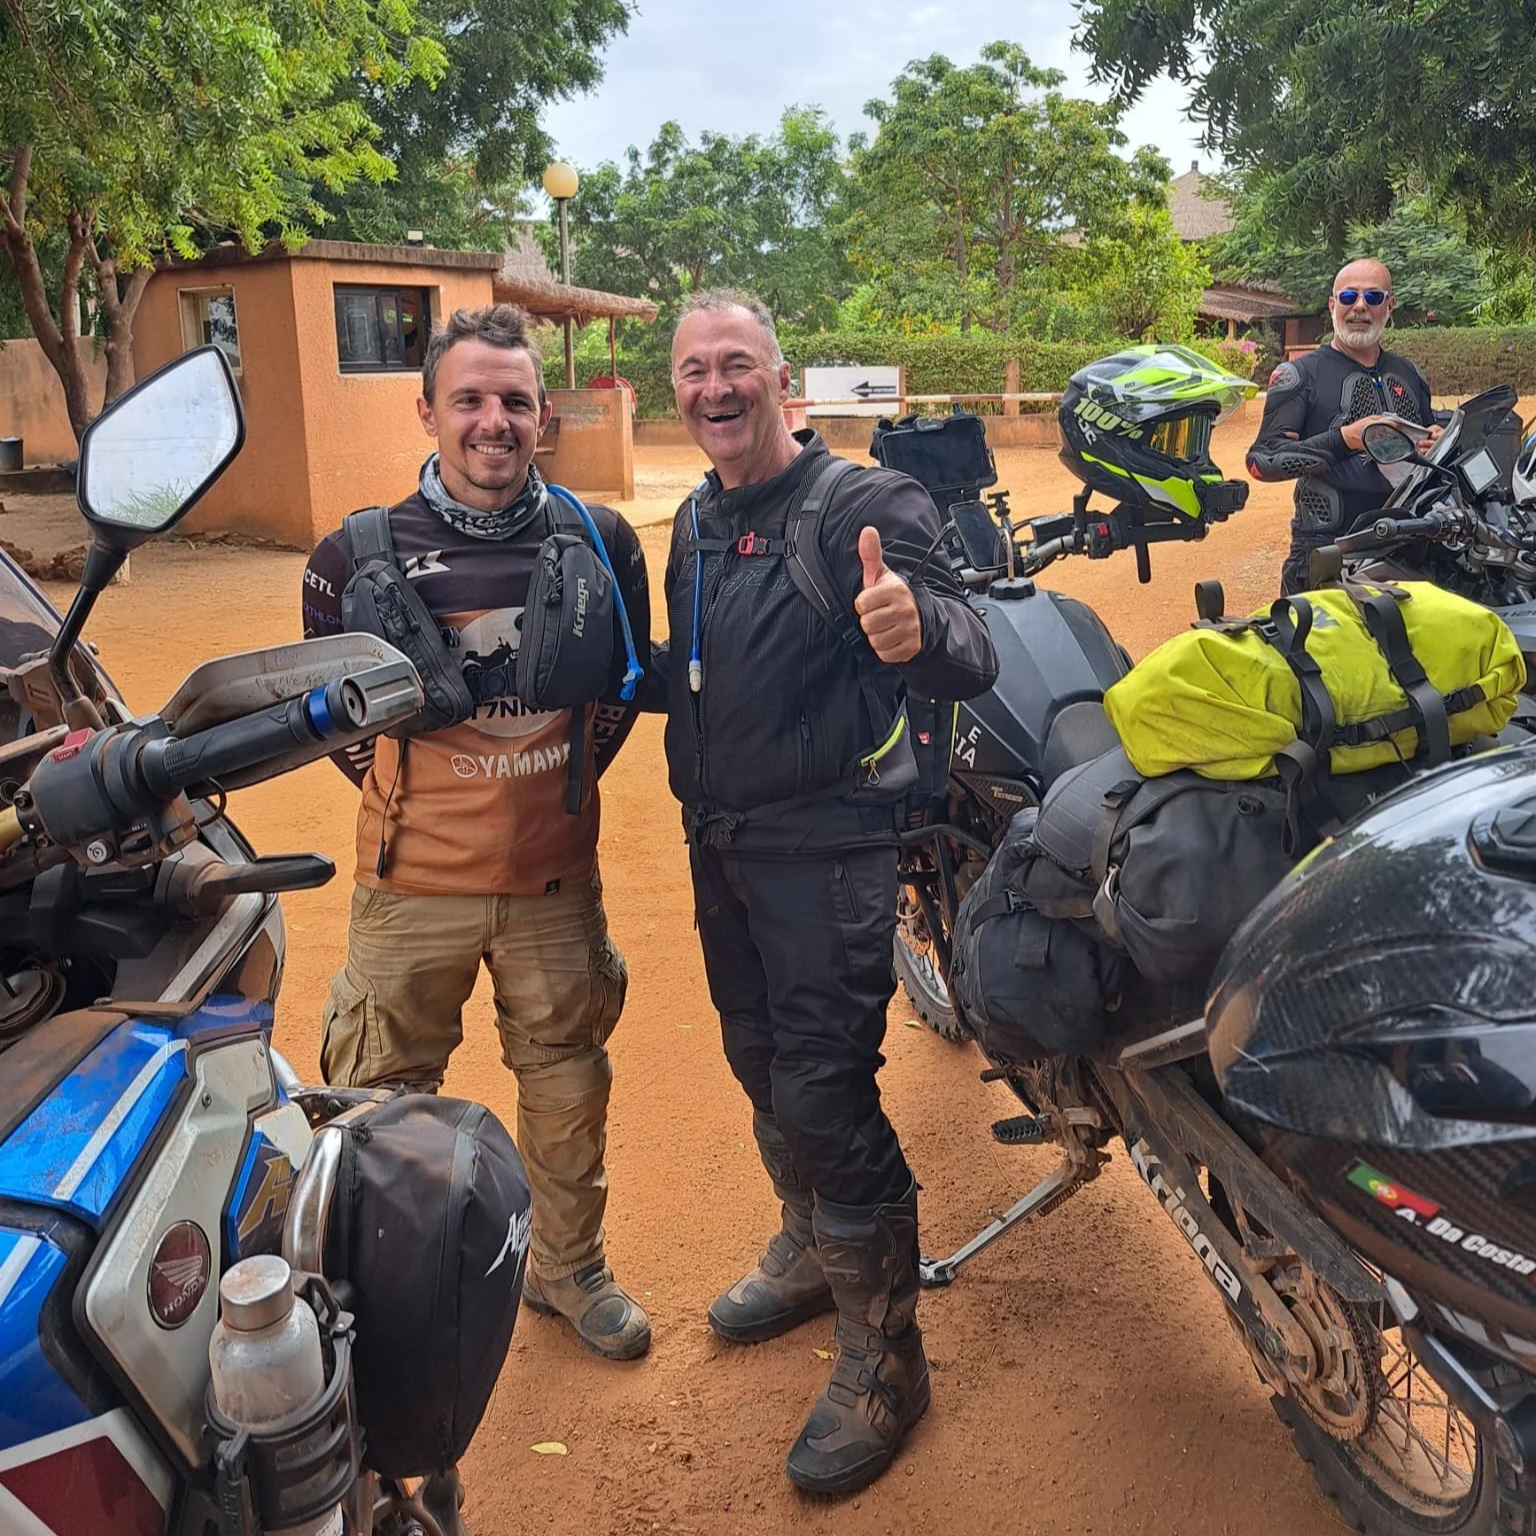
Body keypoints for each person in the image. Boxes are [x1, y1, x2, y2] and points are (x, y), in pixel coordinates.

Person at [647, 289, 998, 1494]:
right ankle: (808, 1249)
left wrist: (916, 630)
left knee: (825, 1090)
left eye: (735, 364)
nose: (713, 389)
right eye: (694, 370)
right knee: (758, 1060)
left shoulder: (860, 504)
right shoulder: (694, 520)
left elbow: (975, 638)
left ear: (781, 380)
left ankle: (885, 1353)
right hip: (722, 848)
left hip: (827, 853)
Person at [300, 305, 653, 1382]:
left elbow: (619, 692)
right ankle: (381, 1294)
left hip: (554, 879)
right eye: (470, 399)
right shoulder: (352, 554)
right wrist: (424, 796)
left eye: (514, 401)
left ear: (543, 416)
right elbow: (332, 717)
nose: (494, 422)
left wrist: (549, 790)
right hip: (411, 887)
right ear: (427, 411)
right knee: (382, 1096)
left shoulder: (600, 541)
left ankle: (569, 1268)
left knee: (566, 1074)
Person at [1247, 258, 1440, 594]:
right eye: (1349, 297)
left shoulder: (1409, 374)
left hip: (1408, 548)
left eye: (1373, 298)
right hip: (1329, 554)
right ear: (1333, 306)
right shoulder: (1300, 375)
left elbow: (1428, 444)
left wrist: (1437, 441)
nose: (1360, 307)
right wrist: (1344, 439)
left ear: (1389, 306)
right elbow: (1262, 461)